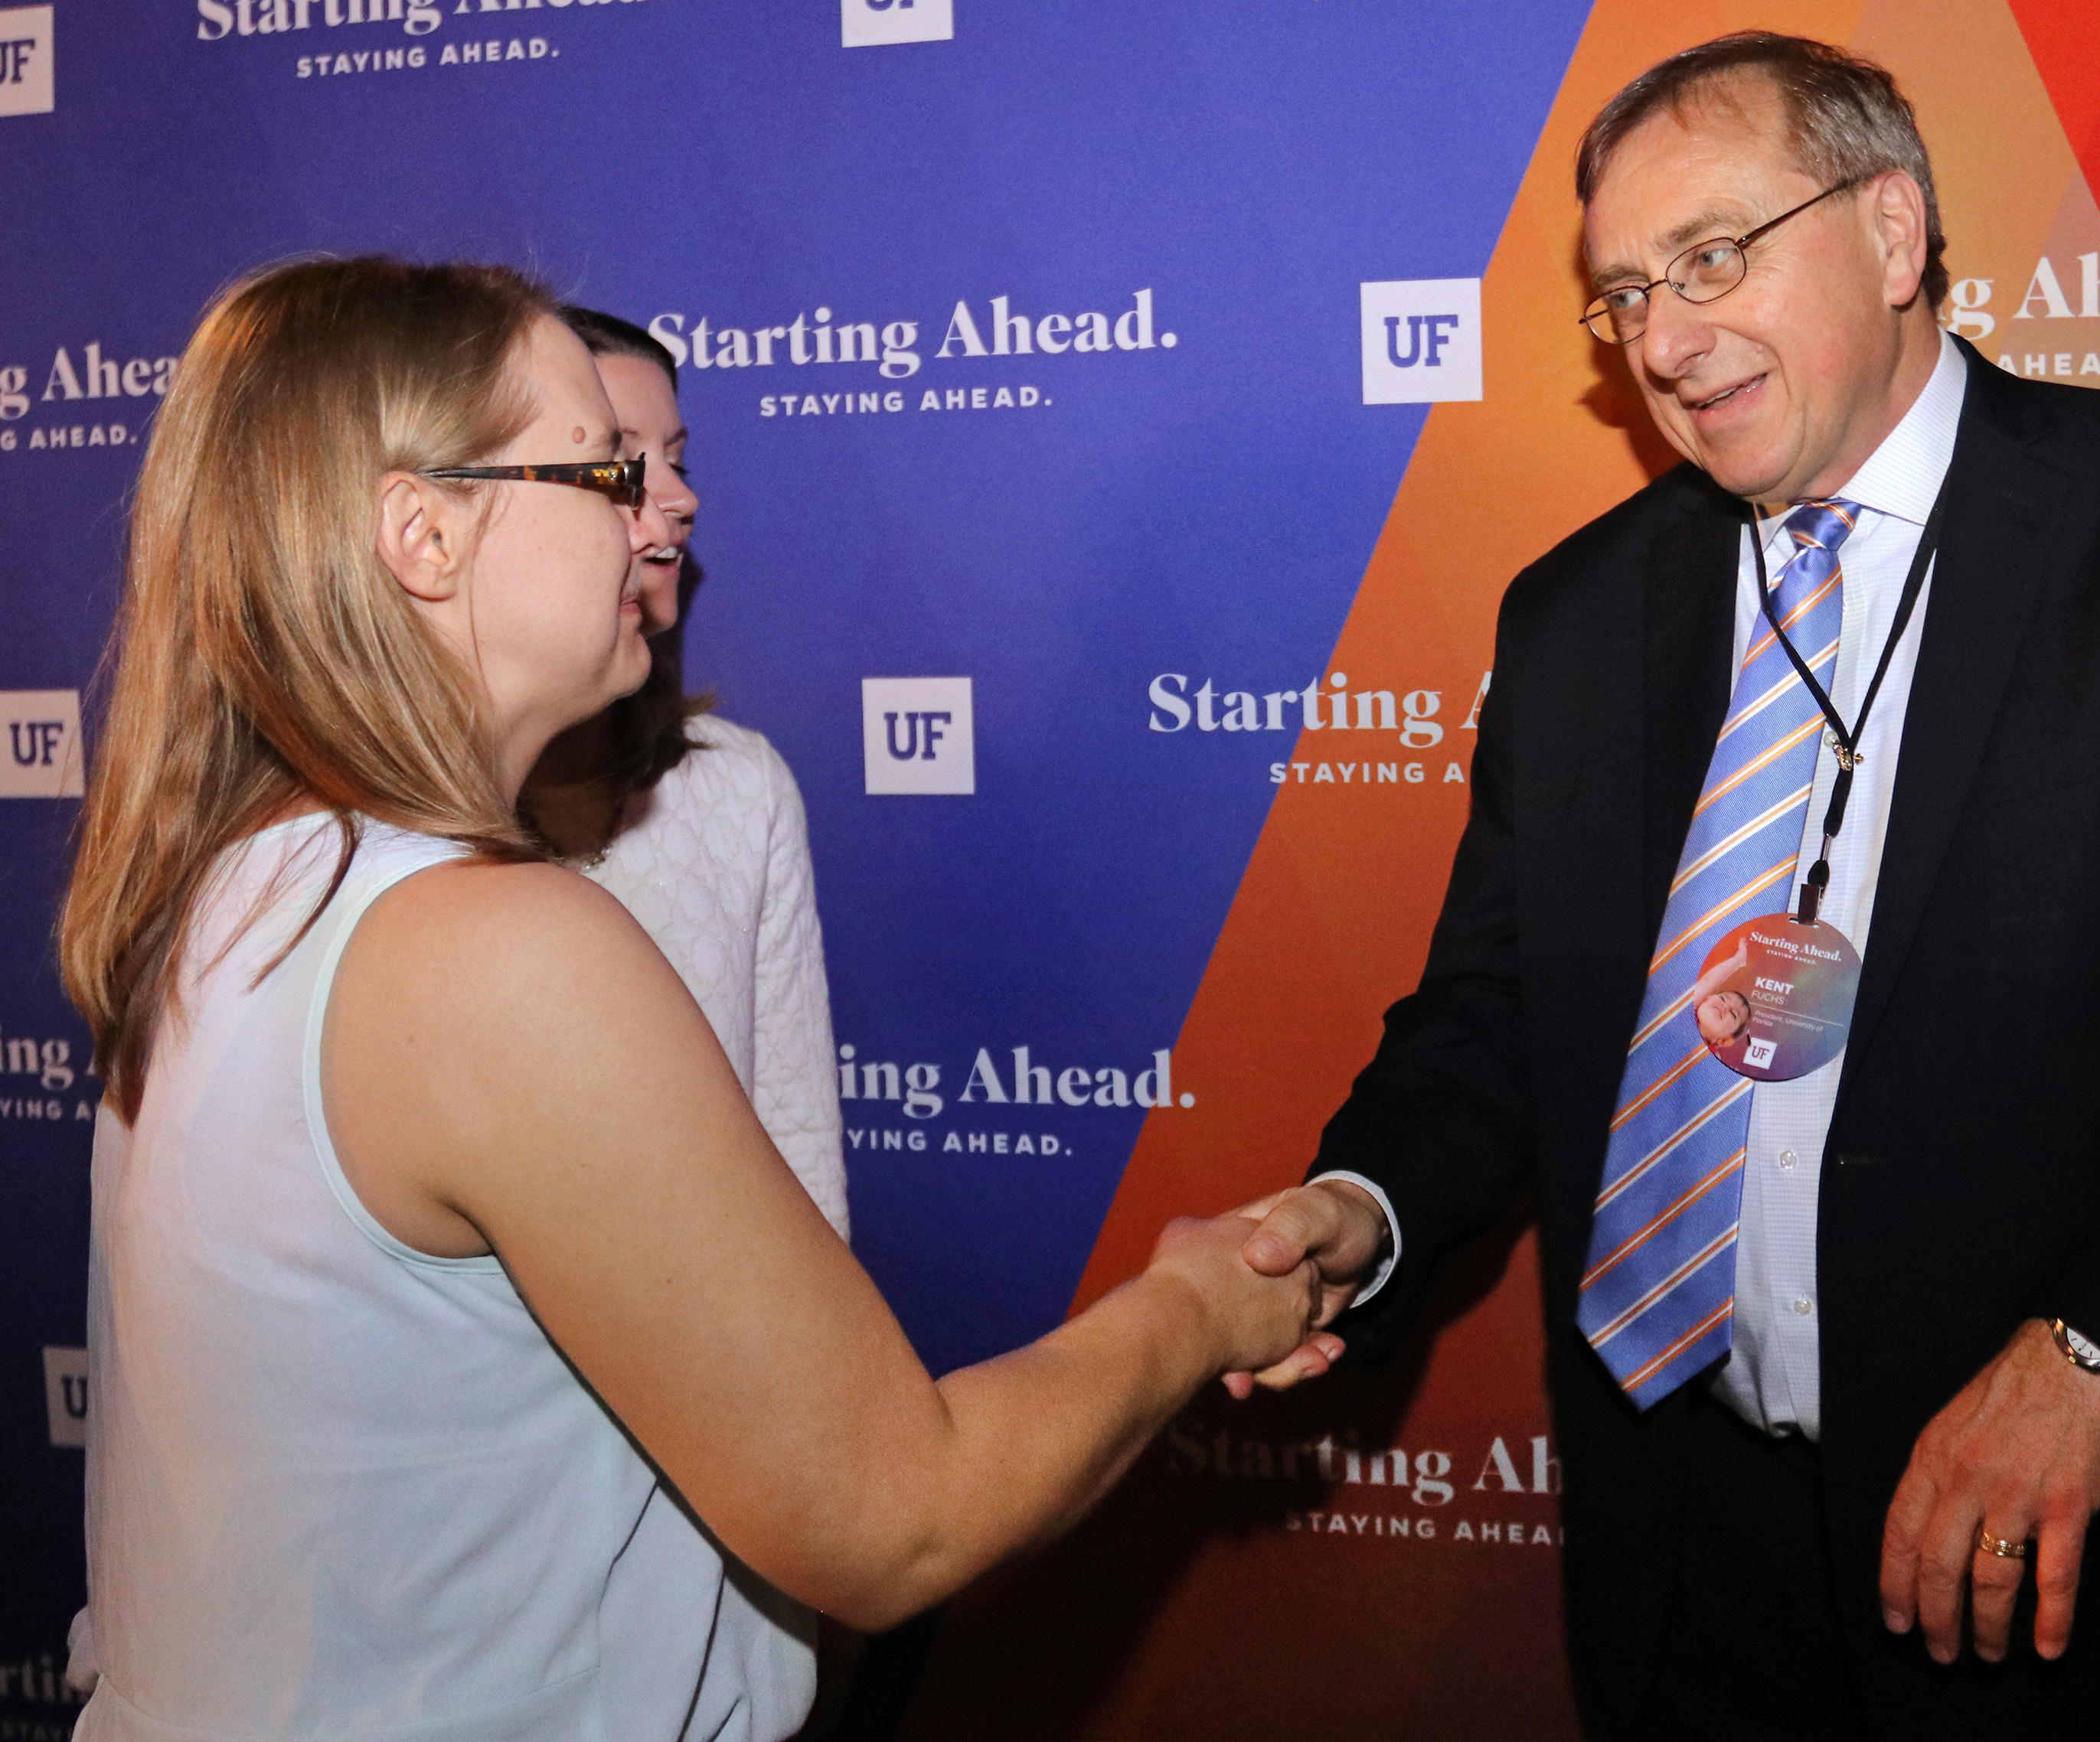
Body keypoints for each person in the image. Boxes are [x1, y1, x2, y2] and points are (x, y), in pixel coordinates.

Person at [58, 256, 1334, 1741]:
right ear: (422, 532)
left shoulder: (230, 884)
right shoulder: (493, 946)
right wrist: (1191, 1306)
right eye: (601, 466)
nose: (658, 513)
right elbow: (897, 1518)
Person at [1233, 31, 2100, 1741]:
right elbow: (1502, 1011)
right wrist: (1367, 1204)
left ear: (1892, 234)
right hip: (1679, 1541)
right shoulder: (1574, 618)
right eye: (1624, 294)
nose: (1659, 338)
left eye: (1713, 256)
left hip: (2061, 1560)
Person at [521, 306, 846, 1236]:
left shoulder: (740, 789)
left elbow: (794, 1148)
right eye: (622, 461)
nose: (679, 498)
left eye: (678, 459)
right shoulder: (366, 839)